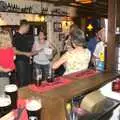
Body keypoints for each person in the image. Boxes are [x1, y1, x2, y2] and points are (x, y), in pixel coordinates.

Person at [12, 20, 33, 87]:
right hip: (20, 62)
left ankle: (27, 96)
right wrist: (26, 54)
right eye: (28, 27)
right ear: (24, 26)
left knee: (28, 81)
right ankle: (21, 96)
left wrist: (29, 57)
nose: (28, 29)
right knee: (22, 81)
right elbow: (14, 51)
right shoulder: (16, 36)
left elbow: (25, 49)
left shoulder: (23, 36)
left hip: (26, 61)